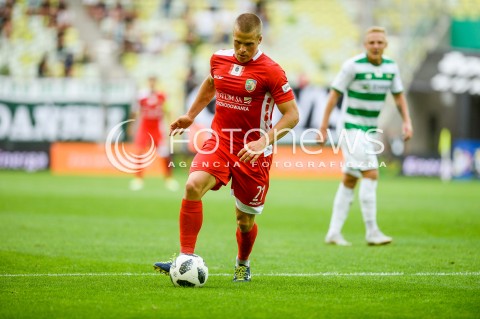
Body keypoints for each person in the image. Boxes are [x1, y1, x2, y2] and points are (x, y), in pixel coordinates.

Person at [153, 13, 299, 282]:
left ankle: (242, 263)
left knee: (244, 222)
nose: (242, 50)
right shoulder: (218, 59)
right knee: (192, 185)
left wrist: (263, 140)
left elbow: (292, 115)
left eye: (248, 44)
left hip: (254, 152)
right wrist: (192, 114)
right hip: (220, 142)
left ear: (259, 40)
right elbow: (211, 84)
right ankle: (186, 257)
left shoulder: (272, 71)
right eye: (237, 43)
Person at [318, 26, 413, 246]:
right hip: (351, 127)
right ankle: (372, 231)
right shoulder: (352, 66)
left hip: (369, 130)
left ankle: (333, 232)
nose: (376, 46)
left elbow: (399, 97)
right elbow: (333, 97)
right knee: (371, 173)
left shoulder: (391, 67)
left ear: (386, 45)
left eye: (380, 42)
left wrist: (407, 121)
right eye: (372, 42)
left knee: (350, 179)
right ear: (365, 44)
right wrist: (323, 127)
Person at [129, 76, 179, 191]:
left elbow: (167, 111)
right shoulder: (141, 96)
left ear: (156, 83)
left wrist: (171, 125)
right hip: (144, 129)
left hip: (157, 129)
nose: (152, 83)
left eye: (153, 81)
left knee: (164, 154)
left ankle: (169, 179)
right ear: (147, 83)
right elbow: (135, 112)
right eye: (150, 81)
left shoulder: (162, 96)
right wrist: (132, 125)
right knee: (140, 153)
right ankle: (138, 179)